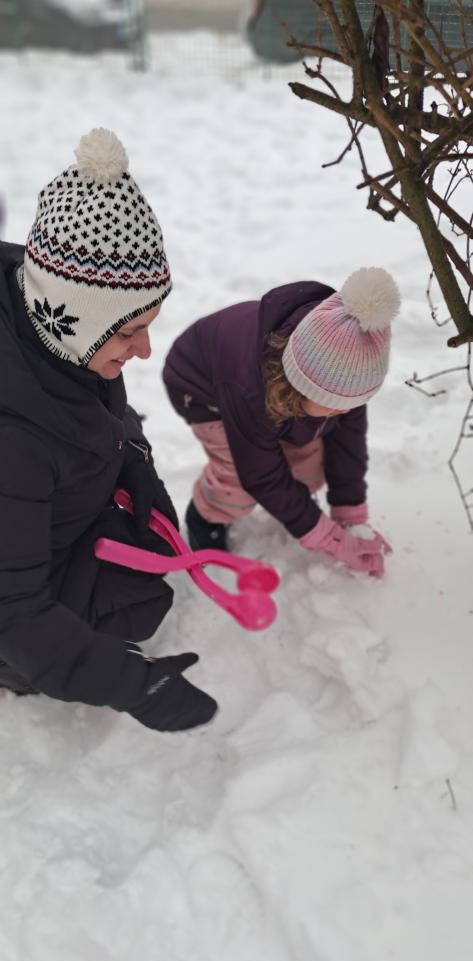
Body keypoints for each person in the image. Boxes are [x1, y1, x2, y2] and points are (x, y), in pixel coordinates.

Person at [0, 128, 217, 732]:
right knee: (139, 602)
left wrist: (133, 456)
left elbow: (90, 405)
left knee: (153, 539)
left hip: (53, 514)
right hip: (13, 606)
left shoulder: (44, 314)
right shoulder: (13, 444)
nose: (145, 350)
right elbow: (12, 613)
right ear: (73, 319)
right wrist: (133, 685)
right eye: (128, 332)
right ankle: (15, 677)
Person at [163, 268, 400, 575]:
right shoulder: (249, 390)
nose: (345, 412)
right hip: (199, 389)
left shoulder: (344, 371)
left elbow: (347, 444)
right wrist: (329, 539)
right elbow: (260, 474)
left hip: (270, 391)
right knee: (237, 480)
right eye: (335, 406)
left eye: (352, 405)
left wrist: (350, 515)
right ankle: (204, 518)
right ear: (303, 385)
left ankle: (295, 503)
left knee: (308, 464)